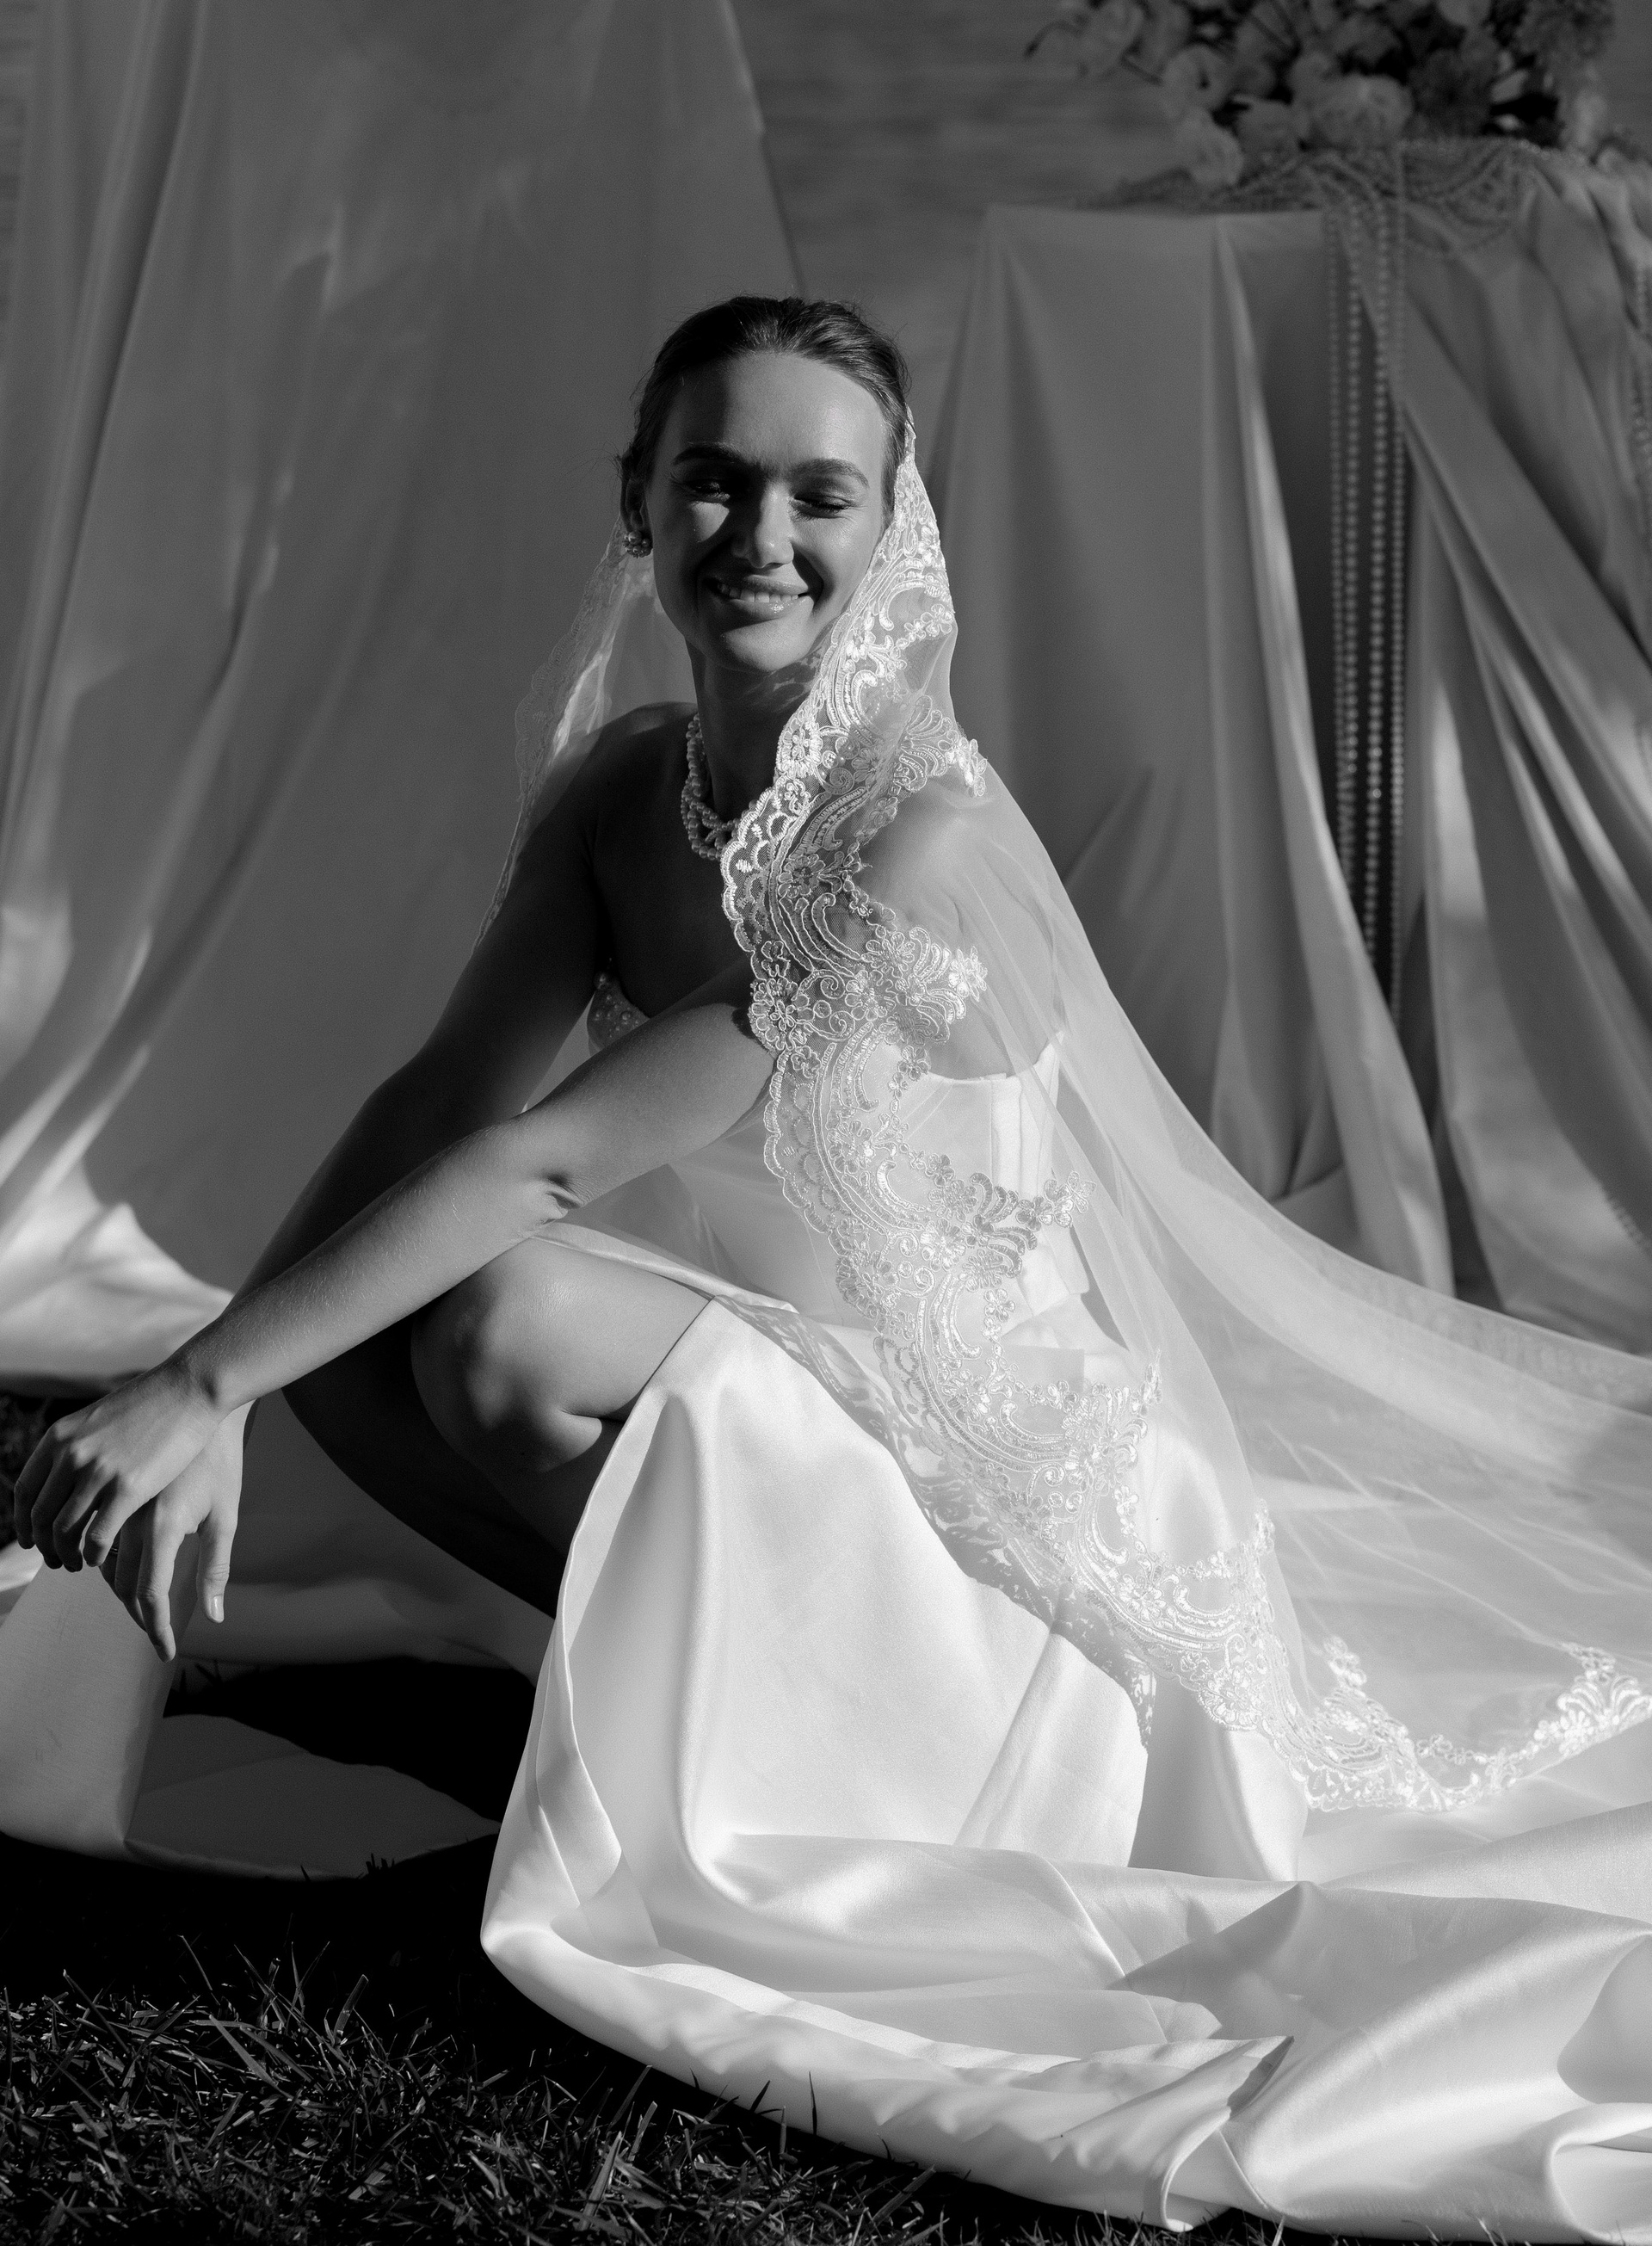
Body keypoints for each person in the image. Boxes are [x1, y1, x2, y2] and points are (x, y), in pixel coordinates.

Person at [9, 298, 1652, 2235]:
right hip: (814, 1389)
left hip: (1003, 1481)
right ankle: (722, 1715)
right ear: (636, 502)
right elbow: (449, 1095)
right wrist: (216, 1382)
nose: (762, 537)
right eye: (713, 480)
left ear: (894, 528)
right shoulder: (625, 787)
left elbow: (547, 1166)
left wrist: (200, 1383)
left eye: (820, 494)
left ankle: (841, 1752)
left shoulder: (912, 834)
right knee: (358, 1357)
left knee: (502, 1323)